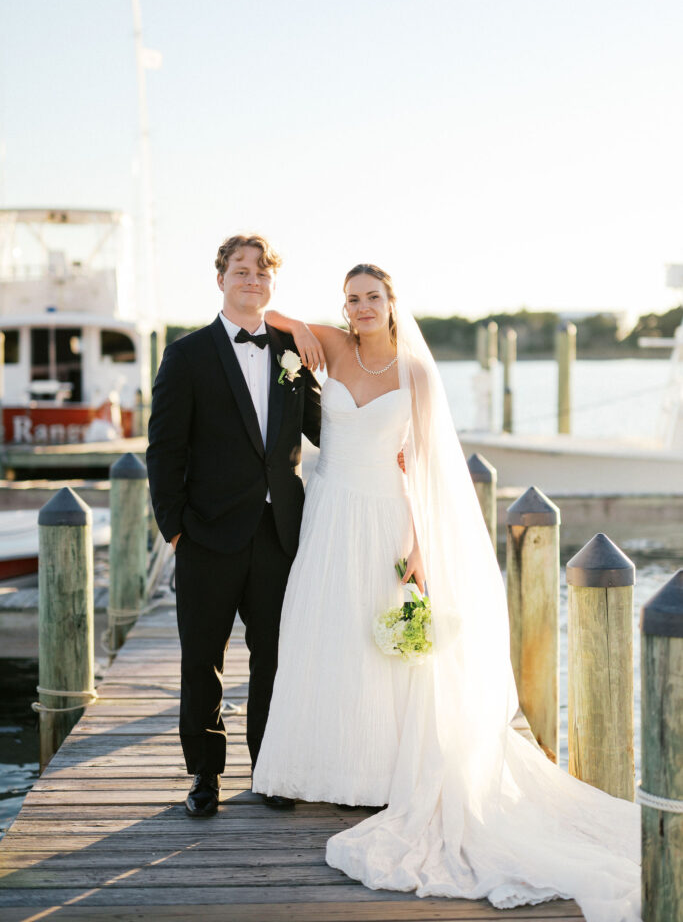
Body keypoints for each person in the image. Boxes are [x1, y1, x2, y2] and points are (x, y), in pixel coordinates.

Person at [252, 264, 641, 922]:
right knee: (325, 635)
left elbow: (427, 468)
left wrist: (418, 546)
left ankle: (379, 776)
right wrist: (299, 330)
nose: (362, 307)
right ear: (343, 307)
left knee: (385, 651)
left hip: (386, 517)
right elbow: (265, 318)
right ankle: (323, 771)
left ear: (391, 303)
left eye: (372, 297)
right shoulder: (334, 346)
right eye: (352, 299)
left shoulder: (416, 373)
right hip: (329, 513)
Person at [146, 234, 321, 817]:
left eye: (262, 273)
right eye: (241, 270)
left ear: (273, 283)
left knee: (273, 657)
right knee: (203, 659)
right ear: (220, 278)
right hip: (207, 534)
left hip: (279, 532)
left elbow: (327, 425)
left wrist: (386, 445)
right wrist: (174, 527)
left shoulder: (293, 350)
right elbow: (164, 448)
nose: (252, 280)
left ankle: (269, 772)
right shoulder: (187, 354)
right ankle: (204, 776)